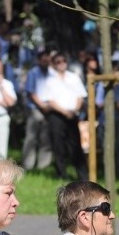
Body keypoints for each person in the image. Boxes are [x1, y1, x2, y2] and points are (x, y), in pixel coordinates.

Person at [43, 52, 88, 180]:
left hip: (73, 114)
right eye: (58, 61)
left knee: (76, 146)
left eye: (63, 61)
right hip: (57, 115)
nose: (61, 63)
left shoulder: (74, 77)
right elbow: (50, 100)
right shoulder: (50, 80)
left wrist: (74, 110)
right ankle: (61, 174)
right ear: (54, 64)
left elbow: (81, 96)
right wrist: (64, 112)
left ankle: (83, 176)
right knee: (59, 146)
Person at [21, 50, 53, 171]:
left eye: (47, 58)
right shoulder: (33, 72)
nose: (45, 60)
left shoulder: (52, 73)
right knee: (31, 138)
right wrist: (42, 106)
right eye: (43, 58)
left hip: (49, 109)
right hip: (35, 109)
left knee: (46, 139)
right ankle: (27, 165)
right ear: (39, 60)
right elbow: (30, 92)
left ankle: (43, 166)